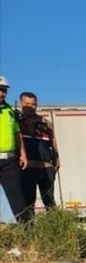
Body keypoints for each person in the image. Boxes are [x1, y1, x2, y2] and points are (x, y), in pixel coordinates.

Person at [17, 92, 58, 219]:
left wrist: (57, 159)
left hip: (46, 168)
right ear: (21, 104)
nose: (31, 107)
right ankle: (30, 233)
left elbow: (53, 141)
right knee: (28, 202)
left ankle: (55, 226)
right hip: (27, 168)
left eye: (33, 104)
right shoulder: (16, 122)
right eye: (27, 104)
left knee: (49, 201)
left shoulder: (45, 123)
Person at [0, 77, 30, 222]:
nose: (1, 93)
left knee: (17, 197)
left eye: (4, 90)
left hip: (10, 162)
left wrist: (23, 155)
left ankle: (28, 234)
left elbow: (17, 134)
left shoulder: (11, 111)